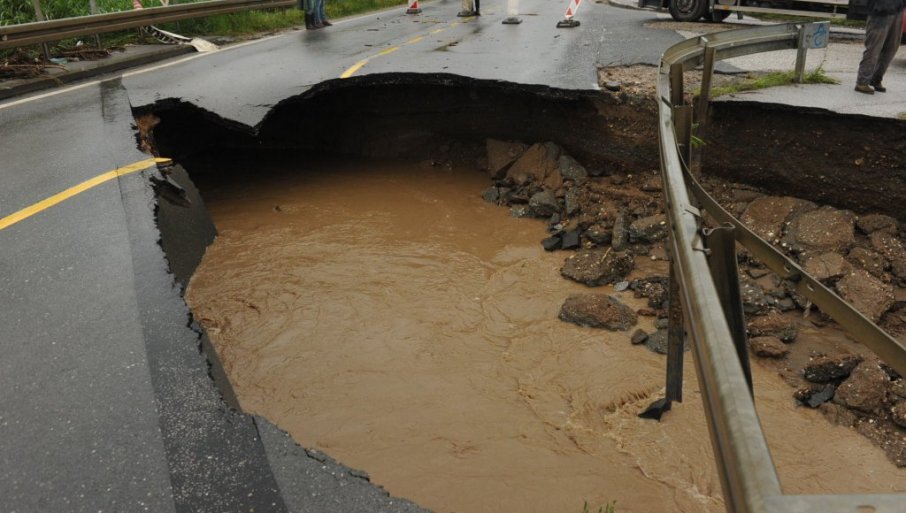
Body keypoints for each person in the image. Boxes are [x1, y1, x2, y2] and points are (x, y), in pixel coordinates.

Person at [855, 0, 905, 94]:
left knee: (891, 48)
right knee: (874, 48)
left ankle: (876, 79)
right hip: (879, 11)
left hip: (898, 10)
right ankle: (862, 82)